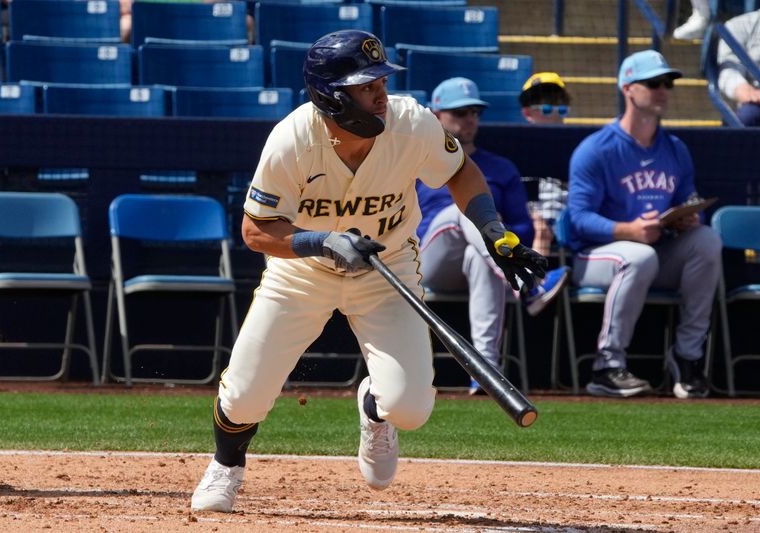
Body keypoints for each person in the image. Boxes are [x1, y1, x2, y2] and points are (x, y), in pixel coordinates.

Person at [190, 30, 547, 512]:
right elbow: (256, 232)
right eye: (364, 84)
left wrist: (491, 230)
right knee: (246, 395)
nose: (379, 91)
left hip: (387, 264)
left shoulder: (410, 122)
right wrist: (321, 241)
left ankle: (374, 409)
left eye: (380, 79)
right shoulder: (292, 140)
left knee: (411, 409)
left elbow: (461, 171)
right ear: (332, 97)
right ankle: (226, 466)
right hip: (303, 270)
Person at [567, 49, 721, 399]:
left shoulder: (675, 149)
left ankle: (687, 357)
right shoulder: (596, 149)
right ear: (628, 88)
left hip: (655, 252)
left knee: (707, 240)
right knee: (637, 255)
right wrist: (628, 230)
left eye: (667, 83)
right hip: (596, 258)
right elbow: (577, 219)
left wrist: (690, 218)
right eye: (653, 83)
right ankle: (607, 366)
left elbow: (689, 198)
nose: (663, 90)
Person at [417, 77, 569, 394]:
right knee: (465, 210)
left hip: (479, 257)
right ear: (436, 116)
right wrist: (486, 224)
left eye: (474, 111)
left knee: (480, 252)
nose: (469, 118)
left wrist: (495, 226)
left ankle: (485, 372)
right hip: (428, 259)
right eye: (459, 112)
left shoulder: (500, 167)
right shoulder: (417, 163)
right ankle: (530, 285)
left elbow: (523, 227)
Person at [518, 72, 571, 256]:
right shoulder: (516, 147)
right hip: (531, 221)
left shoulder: (578, 147)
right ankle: (535, 283)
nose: (555, 113)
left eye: (561, 108)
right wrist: (535, 219)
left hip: (568, 220)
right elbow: (515, 196)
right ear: (527, 112)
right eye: (547, 108)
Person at [717, 8, 760, 127]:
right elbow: (729, 68)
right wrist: (742, 88)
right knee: (745, 118)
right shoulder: (739, 26)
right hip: (756, 104)